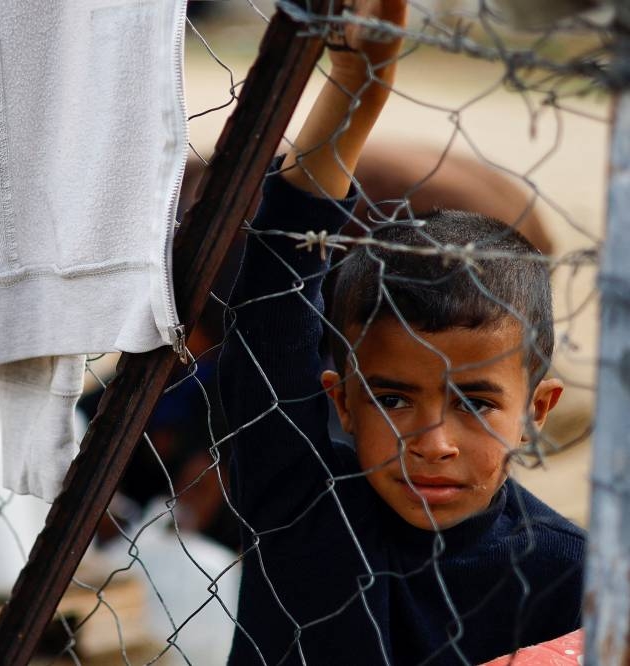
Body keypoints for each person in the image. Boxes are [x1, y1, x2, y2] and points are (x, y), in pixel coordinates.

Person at [218, 1, 586, 664]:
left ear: (537, 409)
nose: (433, 444)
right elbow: (272, 294)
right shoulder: (298, 500)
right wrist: (359, 87)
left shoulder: (573, 579)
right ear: (340, 401)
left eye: (476, 402)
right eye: (390, 399)